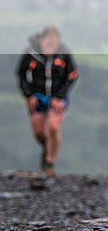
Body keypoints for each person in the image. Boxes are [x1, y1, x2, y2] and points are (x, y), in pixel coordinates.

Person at [16, 26, 79, 177]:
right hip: (38, 96)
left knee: (53, 127)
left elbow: (72, 74)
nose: (51, 46)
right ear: (41, 40)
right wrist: (29, 95)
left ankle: (49, 163)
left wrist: (59, 96)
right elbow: (21, 74)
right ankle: (47, 150)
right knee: (39, 132)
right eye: (48, 43)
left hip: (57, 97)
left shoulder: (63, 55)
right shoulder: (31, 54)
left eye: (54, 43)